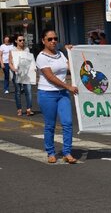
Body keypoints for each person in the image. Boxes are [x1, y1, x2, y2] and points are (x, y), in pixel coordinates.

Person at [36, 29, 78, 164]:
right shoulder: (41, 57)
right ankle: (51, 152)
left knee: (68, 123)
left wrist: (70, 53)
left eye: (55, 38)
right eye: (50, 39)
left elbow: (71, 68)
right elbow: (50, 77)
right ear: (43, 41)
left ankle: (67, 152)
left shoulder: (60, 54)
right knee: (50, 125)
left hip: (62, 94)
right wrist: (68, 87)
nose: (53, 41)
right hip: (47, 94)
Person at [8, 34, 35, 116]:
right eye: (20, 40)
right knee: (18, 92)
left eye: (23, 40)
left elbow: (30, 60)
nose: (22, 41)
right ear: (16, 41)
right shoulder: (12, 50)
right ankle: (19, 109)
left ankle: (29, 109)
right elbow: (10, 63)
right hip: (17, 73)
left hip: (27, 73)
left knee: (29, 91)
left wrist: (33, 68)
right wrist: (14, 69)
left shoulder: (26, 49)